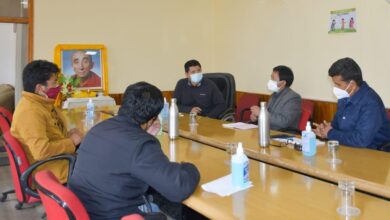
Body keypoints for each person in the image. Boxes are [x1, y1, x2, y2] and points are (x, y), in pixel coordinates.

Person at [68, 82, 200, 219]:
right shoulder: (140, 145)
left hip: (84, 209)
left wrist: (144, 134)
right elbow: (178, 189)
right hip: (113, 215)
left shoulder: (99, 128)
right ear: (152, 119)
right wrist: (190, 167)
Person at [11, 60, 83, 183]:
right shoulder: (30, 111)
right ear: (40, 88)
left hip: (59, 160)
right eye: (54, 83)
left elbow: (52, 132)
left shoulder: (41, 103)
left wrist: (68, 135)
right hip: (49, 169)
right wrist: (71, 142)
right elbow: (41, 151)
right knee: (100, 165)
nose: (58, 87)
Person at [313, 57, 390, 149]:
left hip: (375, 153)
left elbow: (361, 140)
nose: (335, 88)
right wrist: (325, 129)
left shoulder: (371, 103)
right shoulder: (344, 97)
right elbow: (337, 125)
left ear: (352, 85)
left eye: (338, 85)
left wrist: (330, 133)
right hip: (350, 149)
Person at [250, 65, 302, 130]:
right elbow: (269, 115)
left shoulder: (293, 98)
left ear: (283, 83)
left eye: (273, 79)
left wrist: (261, 113)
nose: (270, 81)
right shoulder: (274, 94)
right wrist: (257, 117)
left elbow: (284, 121)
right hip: (268, 131)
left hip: (283, 134)